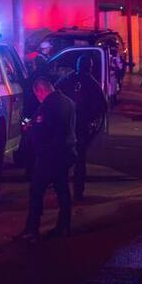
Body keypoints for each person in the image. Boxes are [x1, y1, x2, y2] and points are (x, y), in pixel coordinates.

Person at [16, 76, 77, 242]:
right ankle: (64, 226)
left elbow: (40, 131)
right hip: (66, 154)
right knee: (63, 191)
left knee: (36, 192)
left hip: (49, 156)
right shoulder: (68, 102)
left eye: (38, 95)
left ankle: (32, 230)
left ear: (41, 90)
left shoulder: (48, 106)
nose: (38, 98)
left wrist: (29, 129)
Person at [54, 54, 108, 201]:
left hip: (66, 126)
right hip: (80, 127)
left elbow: (53, 95)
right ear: (89, 67)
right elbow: (102, 107)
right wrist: (92, 123)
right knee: (79, 160)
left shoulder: (66, 80)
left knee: (63, 158)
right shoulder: (92, 84)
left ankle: (62, 189)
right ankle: (77, 191)